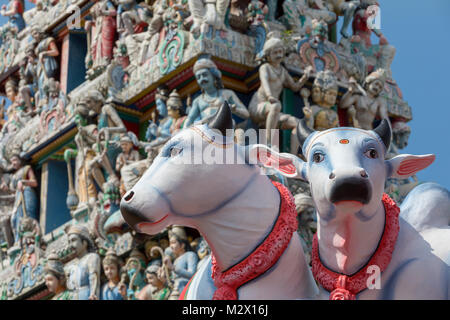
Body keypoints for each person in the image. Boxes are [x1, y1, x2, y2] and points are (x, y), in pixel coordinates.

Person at [248, 35, 312, 146]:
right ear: (268, 55)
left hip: (274, 110)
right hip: (259, 105)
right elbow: (265, 82)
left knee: (297, 124)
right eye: (275, 52)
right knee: (276, 106)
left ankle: (292, 156)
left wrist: (304, 78)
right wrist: (269, 96)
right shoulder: (265, 67)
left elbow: (294, 87)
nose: (278, 55)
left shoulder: (283, 71)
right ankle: (268, 143)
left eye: (280, 52)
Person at [1, 153, 38, 244]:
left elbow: (34, 183)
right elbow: (14, 191)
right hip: (18, 197)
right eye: (11, 162)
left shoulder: (27, 169)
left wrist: (23, 181)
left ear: (20, 160)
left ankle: (32, 234)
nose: (13, 163)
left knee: (28, 214)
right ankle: (19, 240)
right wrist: (7, 189)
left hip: (27, 193)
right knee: (15, 219)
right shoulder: (13, 176)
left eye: (15, 160)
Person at [65, 224, 101, 300]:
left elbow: (94, 278)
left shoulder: (91, 258)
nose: (70, 245)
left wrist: (93, 295)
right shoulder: (70, 266)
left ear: (85, 243)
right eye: (69, 242)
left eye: (73, 240)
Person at [164, 227, 198, 294]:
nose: (171, 246)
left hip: (187, 289)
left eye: (173, 243)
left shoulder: (190, 255)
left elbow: (192, 274)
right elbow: (173, 281)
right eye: (170, 243)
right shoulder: (175, 261)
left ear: (182, 245)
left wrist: (173, 268)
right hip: (176, 291)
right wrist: (164, 279)